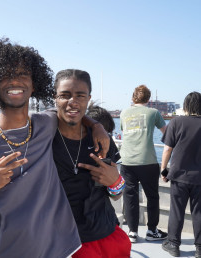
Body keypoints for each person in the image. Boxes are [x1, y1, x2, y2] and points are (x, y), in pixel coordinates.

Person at [0, 39, 108, 258]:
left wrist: (96, 126)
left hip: (63, 251)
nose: (14, 80)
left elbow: (70, 108)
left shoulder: (46, 123)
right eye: (5, 74)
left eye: (22, 73)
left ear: (34, 83)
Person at [53, 69, 131, 257]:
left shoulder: (101, 141)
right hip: (64, 243)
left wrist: (115, 182)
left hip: (108, 235)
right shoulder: (42, 137)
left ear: (88, 98)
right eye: (65, 95)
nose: (73, 101)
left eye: (80, 95)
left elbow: (116, 195)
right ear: (55, 98)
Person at [119, 85, 167, 243]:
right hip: (147, 161)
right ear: (148, 99)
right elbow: (167, 133)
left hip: (127, 161)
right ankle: (152, 231)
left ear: (133, 97)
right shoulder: (153, 113)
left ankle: (132, 232)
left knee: (130, 196)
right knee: (152, 197)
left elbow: (123, 130)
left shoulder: (124, 113)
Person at [160, 92, 201, 258]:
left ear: (186, 106)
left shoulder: (176, 122)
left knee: (177, 211)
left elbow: (167, 149)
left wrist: (164, 169)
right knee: (199, 213)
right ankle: (200, 248)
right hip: (199, 178)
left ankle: (173, 244)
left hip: (179, 176)